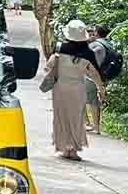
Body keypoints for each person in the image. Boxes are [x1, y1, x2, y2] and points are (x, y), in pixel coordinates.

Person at [40, 19, 105, 161]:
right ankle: (73, 150)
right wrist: (101, 89)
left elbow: (49, 66)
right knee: (77, 118)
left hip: (60, 88)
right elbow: (94, 74)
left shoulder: (59, 48)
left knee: (61, 116)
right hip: (78, 89)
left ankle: (64, 147)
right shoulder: (88, 53)